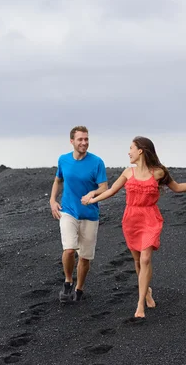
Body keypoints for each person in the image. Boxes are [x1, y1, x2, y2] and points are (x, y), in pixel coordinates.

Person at [82, 136, 186, 318]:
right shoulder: (128, 173)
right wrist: (92, 200)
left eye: (131, 148)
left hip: (150, 217)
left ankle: (140, 305)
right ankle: (147, 292)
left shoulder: (158, 173)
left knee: (145, 259)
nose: (128, 152)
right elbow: (111, 191)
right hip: (131, 219)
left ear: (141, 151)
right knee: (137, 262)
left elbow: (177, 187)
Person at [50, 126, 108, 302]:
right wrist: (52, 200)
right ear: (72, 141)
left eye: (86, 139)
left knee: (84, 257)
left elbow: (104, 187)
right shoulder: (63, 160)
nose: (84, 142)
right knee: (69, 250)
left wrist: (92, 194)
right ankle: (68, 281)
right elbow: (58, 180)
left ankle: (79, 289)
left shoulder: (97, 162)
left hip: (90, 214)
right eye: (80, 139)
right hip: (68, 211)